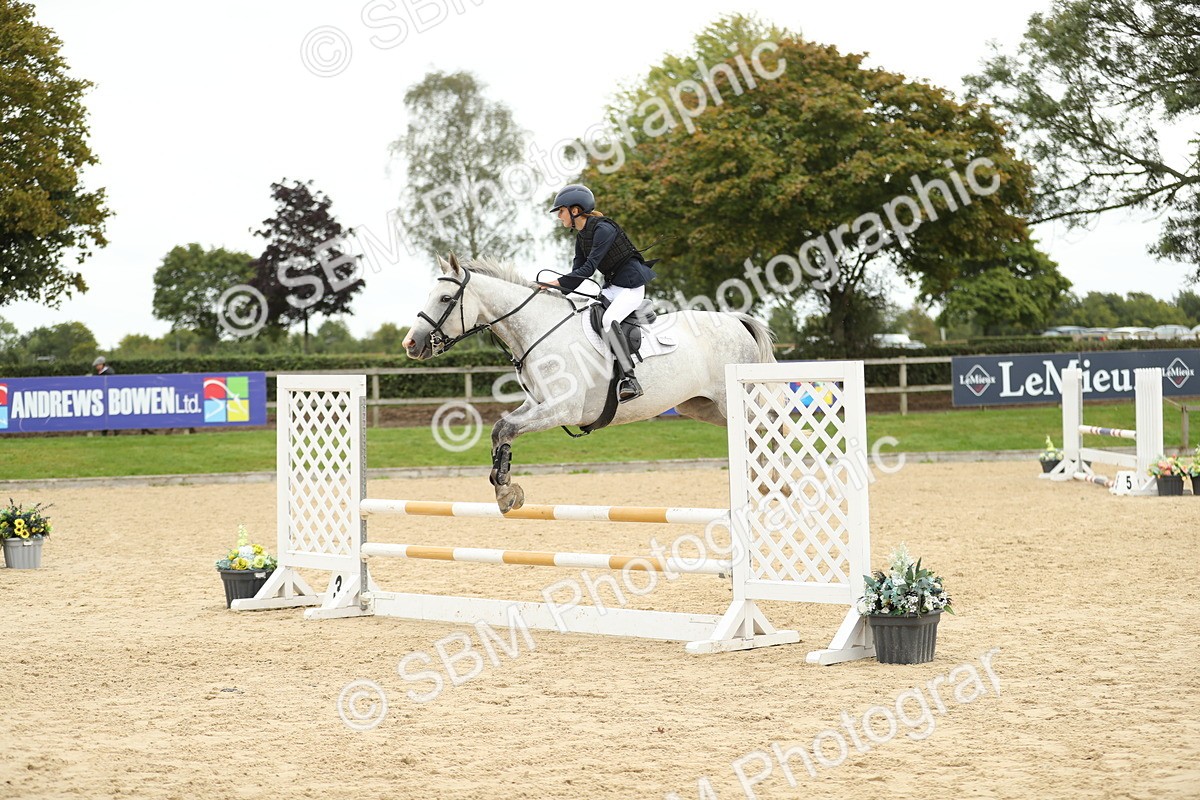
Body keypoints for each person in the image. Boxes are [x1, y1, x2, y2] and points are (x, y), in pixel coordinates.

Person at [543, 184, 657, 402]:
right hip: (612, 287)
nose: (558, 216)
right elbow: (577, 273)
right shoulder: (581, 237)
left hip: (631, 286)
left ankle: (630, 379)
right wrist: (556, 294)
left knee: (608, 320)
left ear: (575, 210)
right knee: (584, 313)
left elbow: (588, 269)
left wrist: (552, 283)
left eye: (561, 211)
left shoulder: (604, 229)